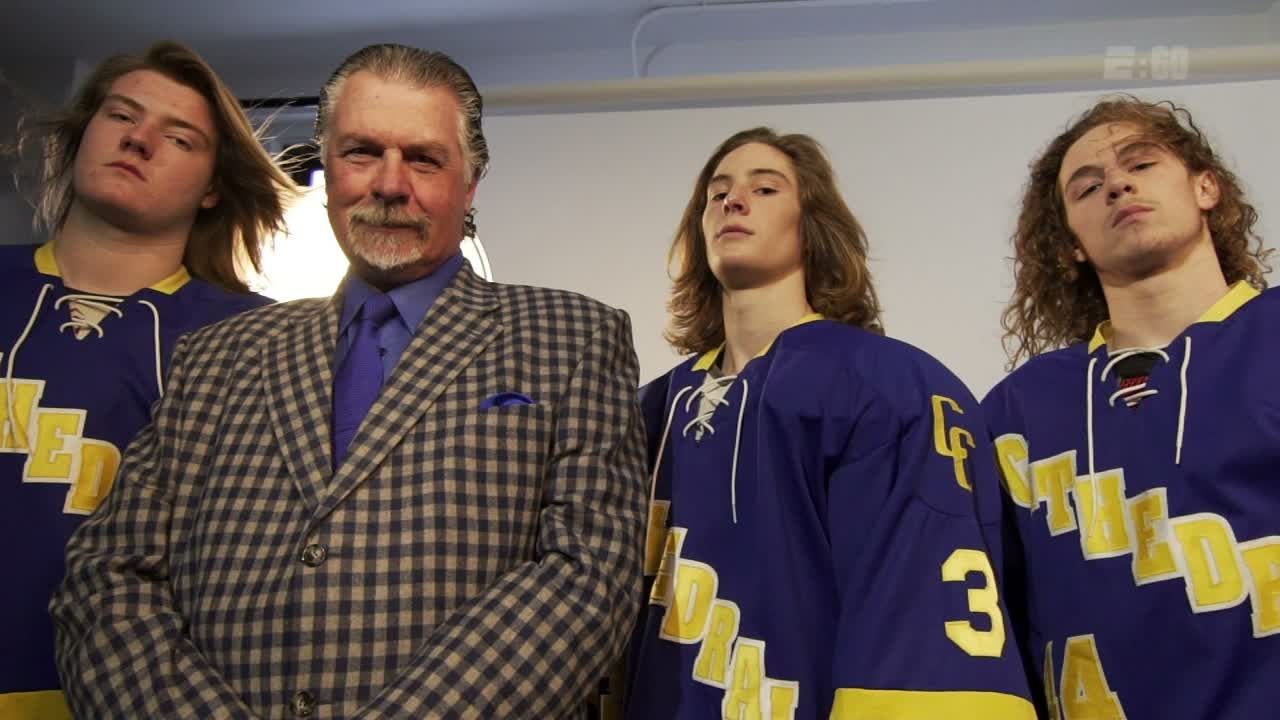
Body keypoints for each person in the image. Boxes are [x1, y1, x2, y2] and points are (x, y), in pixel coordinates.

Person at [51, 42, 648, 718]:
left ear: (470, 183)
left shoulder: (574, 337)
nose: (390, 184)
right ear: (328, 169)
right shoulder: (217, 355)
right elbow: (108, 576)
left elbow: (589, 575)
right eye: (361, 152)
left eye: (423, 158)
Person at [625, 127, 1034, 719]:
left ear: (811, 225)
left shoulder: (890, 384)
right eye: (717, 193)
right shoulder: (646, 411)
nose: (733, 201)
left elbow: (919, 614)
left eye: (765, 189)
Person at [0, 40, 290, 719]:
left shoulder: (259, 340)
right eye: (121, 114)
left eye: (180, 138)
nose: (139, 139)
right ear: (82, 133)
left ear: (213, 186)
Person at [983, 96, 1278, 718]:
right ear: (1071, 245)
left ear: (1206, 188)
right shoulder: (1017, 410)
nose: (1117, 184)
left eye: (1141, 164)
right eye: (1087, 188)